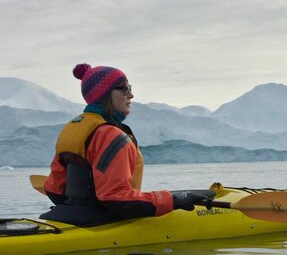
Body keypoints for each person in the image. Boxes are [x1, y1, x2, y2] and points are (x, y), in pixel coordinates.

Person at [40, 63, 213, 226]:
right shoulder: (111, 135)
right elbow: (115, 199)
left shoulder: (73, 127)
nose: (130, 95)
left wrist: (76, 208)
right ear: (105, 94)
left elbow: (54, 189)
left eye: (130, 88)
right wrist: (170, 200)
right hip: (103, 220)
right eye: (124, 88)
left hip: (67, 216)